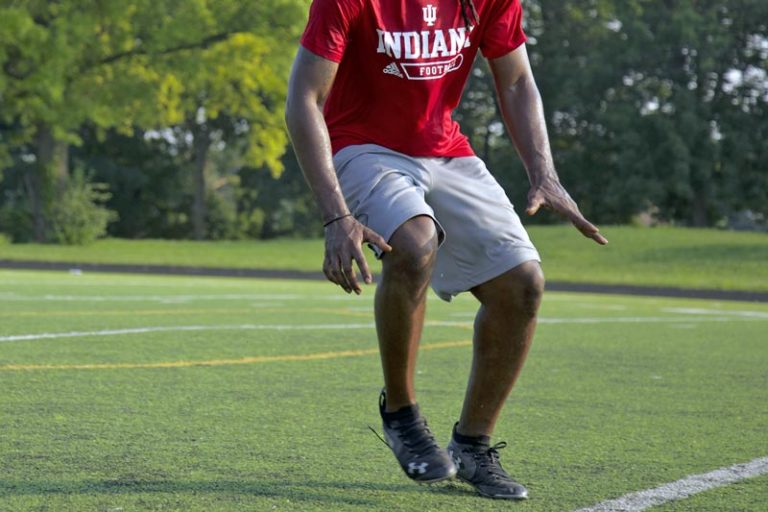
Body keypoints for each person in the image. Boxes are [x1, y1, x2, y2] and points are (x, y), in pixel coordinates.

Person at [285, 0, 607, 500]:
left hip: (446, 150)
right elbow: (304, 98)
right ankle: (401, 415)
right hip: (361, 146)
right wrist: (335, 215)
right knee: (414, 243)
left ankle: (472, 447)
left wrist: (545, 172)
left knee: (522, 283)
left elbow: (518, 81)